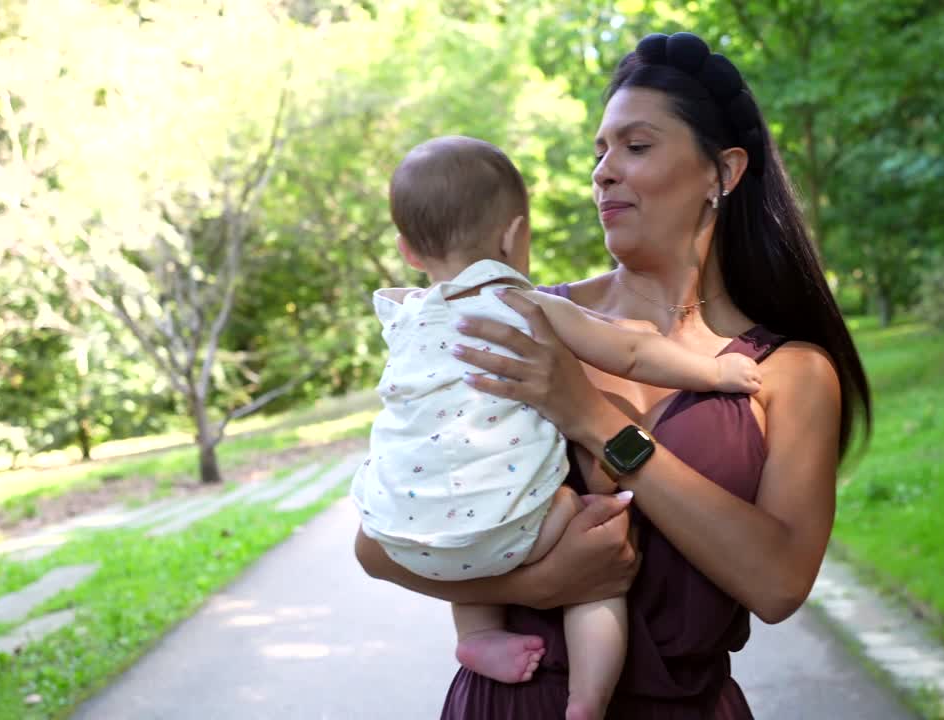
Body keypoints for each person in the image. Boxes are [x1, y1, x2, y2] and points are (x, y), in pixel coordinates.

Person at [355, 31, 872, 719]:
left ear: (723, 172)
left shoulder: (789, 371)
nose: (603, 171)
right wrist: (538, 585)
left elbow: (778, 585)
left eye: (635, 146)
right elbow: (380, 543)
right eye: (599, 152)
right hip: (512, 703)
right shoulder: (521, 317)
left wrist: (594, 421)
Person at [354, 135, 764, 720]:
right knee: (597, 552)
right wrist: (714, 370)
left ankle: (477, 636)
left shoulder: (407, 320)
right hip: (520, 523)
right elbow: (628, 353)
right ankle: (588, 700)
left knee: (462, 520)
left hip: (412, 528)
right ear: (513, 235)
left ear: (408, 251)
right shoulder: (526, 306)